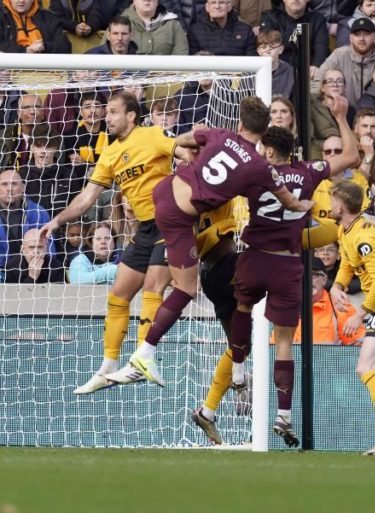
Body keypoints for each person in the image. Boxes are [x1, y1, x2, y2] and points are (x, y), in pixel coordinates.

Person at [126, 96, 313, 388]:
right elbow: (287, 199)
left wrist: (188, 152)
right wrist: (303, 206)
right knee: (186, 288)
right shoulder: (259, 167)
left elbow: (186, 138)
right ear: (264, 134)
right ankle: (144, 353)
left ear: (239, 123)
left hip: (163, 193)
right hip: (178, 217)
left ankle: (146, 353)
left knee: (178, 279)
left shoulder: (219, 134)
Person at [38, 90, 190, 394]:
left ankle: (144, 359)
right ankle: (108, 366)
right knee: (118, 295)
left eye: (113, 111)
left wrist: (187, 177)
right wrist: (56, 221)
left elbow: (183, 153)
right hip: (145, 227)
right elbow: (87, 197)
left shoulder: (151, 135)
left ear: (131, 115)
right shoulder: (108, 153)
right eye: (107, 112)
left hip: (171, 221)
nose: (106, 117)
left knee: (153, 288)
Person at [228, 117, 356, 447]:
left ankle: (238, 373)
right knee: (283, 340)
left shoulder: (255, 171)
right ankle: (283, 415)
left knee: (241, 306)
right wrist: (341, 116)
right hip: (287, 262)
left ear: (270, 150)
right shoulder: (308, 171)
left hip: (255, 255)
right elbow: (352, 156)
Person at [329, 180, 375, 455]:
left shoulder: (366, 237)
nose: (328, 205)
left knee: (365, 367)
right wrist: (336, 286)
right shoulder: (345, 229)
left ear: (341, 205)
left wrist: (361, 313)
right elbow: (348, 263)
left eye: (331, 200)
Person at [0, 169, 51, 269]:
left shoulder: (39, 213)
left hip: (33, 270)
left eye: (14, 184)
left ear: (23, 187)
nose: (9, 188)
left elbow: (50, 249)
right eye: (4, 184)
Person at [319, 16, 375, 107]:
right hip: (342, 111)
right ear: (351, 38)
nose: (362, 39)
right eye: (357, 34)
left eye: (366, 34)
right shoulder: (340, 54)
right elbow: (317, 81)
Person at [260, 0, 328, 75]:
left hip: (307, 72)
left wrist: (316, 65)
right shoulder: (270, 17)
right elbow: (269, 48)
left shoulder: (318, 19)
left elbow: (321, 46)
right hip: (278, 71)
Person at [0, 0, 72, 54]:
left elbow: (65, 46)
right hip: (10, 73)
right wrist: (25, 50)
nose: (21, 1)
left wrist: (44, 47)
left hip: (46, 72)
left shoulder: (48, 17)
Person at [187, 0, 256, 56]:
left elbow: (252, 59)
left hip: (239, 71)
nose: (217, 6)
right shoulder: (195, 31)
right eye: (213, 3)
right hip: (207, 71)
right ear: (207, 7)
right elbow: (191, 61)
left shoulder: (245, 30)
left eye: (221, 2)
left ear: (229, 7)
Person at [122, 0, 189, 56]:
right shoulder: (121, 22)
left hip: (166, 71)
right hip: (129, 71)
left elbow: (180, 57)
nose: (147, 0)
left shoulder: (173, 24)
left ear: (157, 1)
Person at [257, 30, 294, 100]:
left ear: (281, 49)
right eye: (264, 47)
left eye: (272, 47)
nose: (268, 51)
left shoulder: (291, 72)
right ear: (258, 51)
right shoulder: (249, 72)